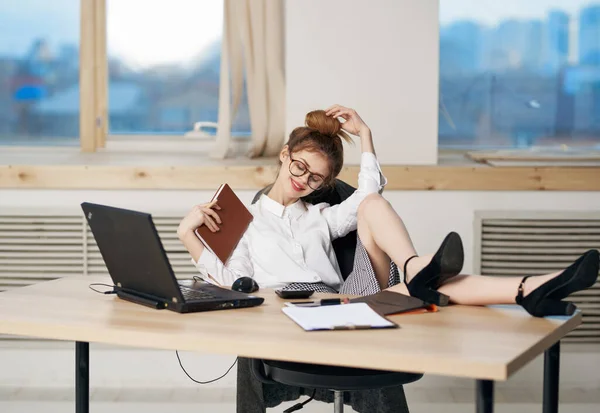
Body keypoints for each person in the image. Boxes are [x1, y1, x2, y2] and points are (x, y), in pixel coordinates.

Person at [177, 105, 599, 413]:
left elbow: (369, 191)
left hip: (346, 301)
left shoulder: (321, 217)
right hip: (292, 312)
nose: (303, 180)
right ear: (285, 155)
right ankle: (531, 288)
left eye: (316, 178)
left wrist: (367, 136)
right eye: (300, 167)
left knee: (371, 204)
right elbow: (232, 280)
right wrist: (186, 235)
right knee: (437, 287)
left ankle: (415, 269)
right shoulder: (247, 221)